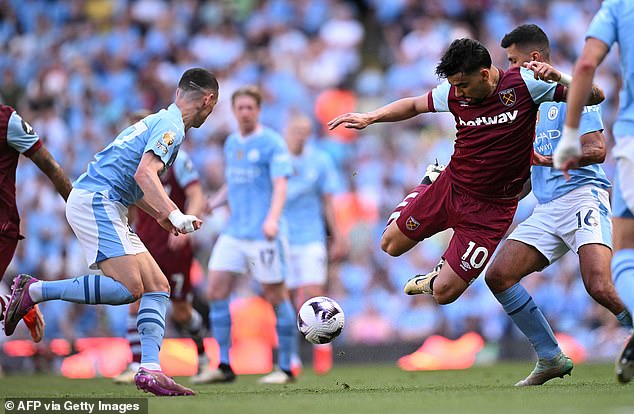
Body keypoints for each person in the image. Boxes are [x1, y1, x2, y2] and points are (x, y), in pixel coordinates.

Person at [328, 38, 603, 306]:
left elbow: (596, 95)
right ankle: (429, 180)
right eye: (454, 86)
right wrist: (371, 117)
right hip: (452, 187)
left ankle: (436, 276)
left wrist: (561, 78)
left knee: (444, 294)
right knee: (390, 245)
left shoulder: (526, 85)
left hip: (491, 211)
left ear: (484, 74)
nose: (458, 93)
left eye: (463, 85)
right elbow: (413, 105)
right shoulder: (453, 91)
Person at [3, 68, 219, 396]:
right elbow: (146, 174)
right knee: (129, 288)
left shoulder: (164, 120)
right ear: (209, 100)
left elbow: (137, 181)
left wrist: (161, 215)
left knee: (158, 286)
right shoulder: (172, 126)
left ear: (178, 93)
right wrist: (174, 213)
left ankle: (149, 368)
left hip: (108, 202)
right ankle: (33, 291)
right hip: (97, 200)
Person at [484, 24, 631, 387]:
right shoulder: (526, 104)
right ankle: (550, 356)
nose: (511, 68)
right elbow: (526, 174)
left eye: (514, 61)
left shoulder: (570, 92)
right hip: (547, 207)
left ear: (535, 59)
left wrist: (550, 161)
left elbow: (597, 150)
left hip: (584, 196)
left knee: (599, 285)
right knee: (499, 275)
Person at [192, 86, 295, 385]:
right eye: (241, 108)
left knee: (276, 295)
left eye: (251, 107)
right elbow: (233, 183)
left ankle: (286, 367)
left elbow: (280, 184)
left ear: (258, 110)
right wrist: (213, 203)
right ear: (234, 111)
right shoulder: (231, 143)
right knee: (216, 290)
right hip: (235, 231)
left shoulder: (272, 143)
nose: (246, 112)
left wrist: (272, 219)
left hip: (264, 233)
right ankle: (223, 364)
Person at [553, 0, 634, 384]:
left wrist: (569, 137)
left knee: (625, 259)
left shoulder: (618, 7)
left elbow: (586, 66)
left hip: (631, 146)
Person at [113, 110, 209, 384]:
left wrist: (185, 229)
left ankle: (202, 355)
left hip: (174, 244)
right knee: (135, 298)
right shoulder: (132, 164)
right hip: (146, 241)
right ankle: (135, 364)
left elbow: (196, 193)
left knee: (181, 311)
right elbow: (131, 205)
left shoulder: (175, 158)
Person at [0, 105, 72, 343]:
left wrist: (74, 209)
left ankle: (22, 302)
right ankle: (20, 303)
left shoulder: (7, 120)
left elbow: (50, 165)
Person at [282, 114, 348, 375]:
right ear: (287, 130)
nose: (301, 134)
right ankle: (290, 356)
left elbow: (328, 202)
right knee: (286, 298)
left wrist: (338, 235)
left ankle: (323, 351)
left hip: (311, 237)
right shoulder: (278, 159)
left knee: (313, 292)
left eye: (305, 130)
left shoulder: (319, 160)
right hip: (283, 238)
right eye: (297, 129)